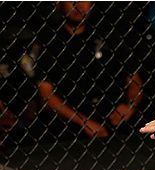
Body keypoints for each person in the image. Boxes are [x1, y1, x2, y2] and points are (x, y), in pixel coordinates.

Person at [35, 1, 143, 139]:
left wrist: (129, 106)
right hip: (71, 119)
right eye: (72, 1)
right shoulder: (50, 41)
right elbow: (46, 95)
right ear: (58, 3)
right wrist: (83, 122)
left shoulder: (107, 34)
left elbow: (135, 80)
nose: (79, 5)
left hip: (113, 112)